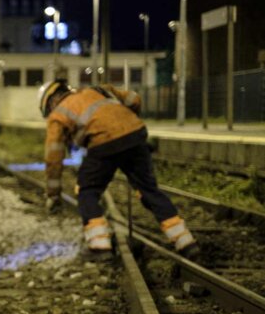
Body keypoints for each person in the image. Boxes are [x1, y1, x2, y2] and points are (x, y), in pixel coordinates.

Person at [38, 79, 198, 258]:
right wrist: (127, 123)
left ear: (50, 102)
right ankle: (185, 241)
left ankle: (100, 246)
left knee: (87, 191)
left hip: (103, 144)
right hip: (136, 135)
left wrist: (53, 194)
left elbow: (53, 158)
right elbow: (134, 99)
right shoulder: (99, 90)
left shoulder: (58, 115)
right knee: (148, 190)